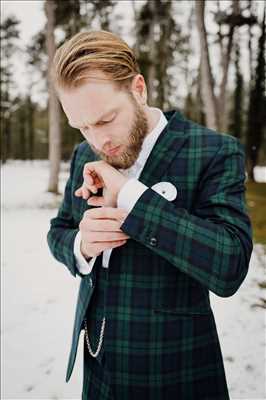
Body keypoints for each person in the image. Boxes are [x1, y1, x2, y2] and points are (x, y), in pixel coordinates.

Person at [47, 30, 253, 400]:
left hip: (176, 372)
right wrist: (81, 245)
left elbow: (230, 265)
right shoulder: (83, 155)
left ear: (138, 88)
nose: (98, 141)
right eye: (82, 127)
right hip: (99, 370)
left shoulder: (214, 152)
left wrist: (131, 196)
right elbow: (59, 230)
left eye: (107, 119)